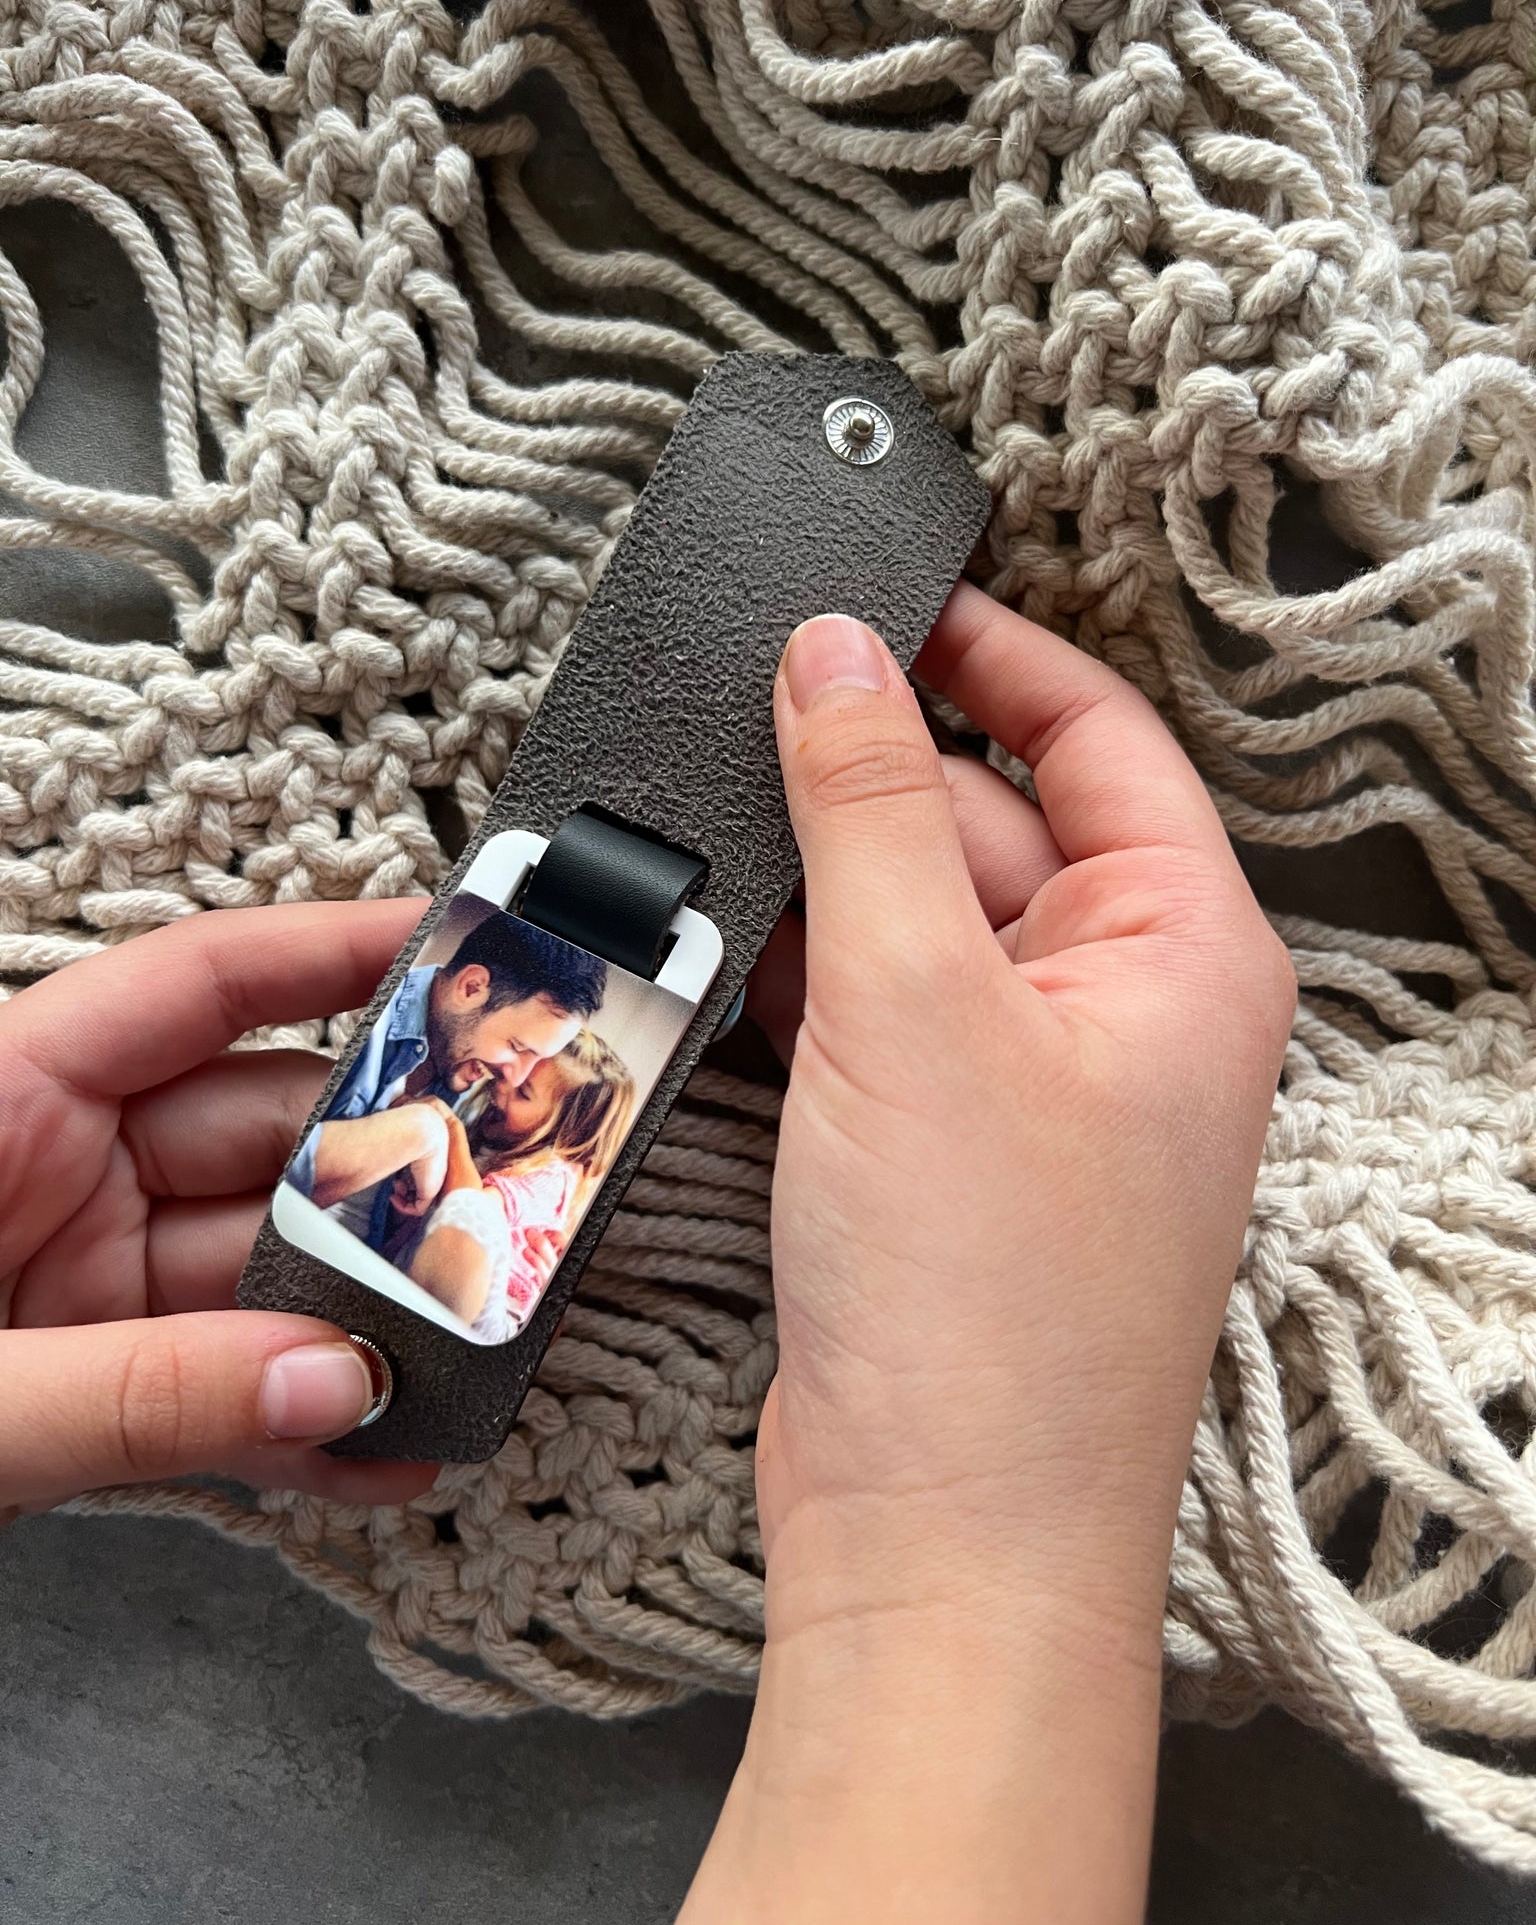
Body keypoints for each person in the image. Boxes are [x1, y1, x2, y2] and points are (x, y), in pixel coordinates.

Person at [0, 586, 1293, 1918]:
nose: (514, 1067)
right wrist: (982, 1552)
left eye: (543, 1066)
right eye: (503, 1039)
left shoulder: (467, 1174)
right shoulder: (412, 1148)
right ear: (462, 992)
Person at [286, 908, 609, 1260]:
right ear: (471, 988)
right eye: (516, 1047)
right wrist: (422, 1132)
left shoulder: (466, 1074)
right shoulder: (359, 1016)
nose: (515, 1076)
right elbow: (278, 1163)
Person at [399, 1032, 636, 1339]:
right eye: (518, 1071)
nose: (505, 1084)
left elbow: (468, 1203)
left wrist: (450, 1129)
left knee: (472, 1209)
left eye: (523, 1092)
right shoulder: (492, 1135)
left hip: (496, 1318)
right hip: (428, 1276)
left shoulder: (553, 1174)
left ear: (564, 1132)